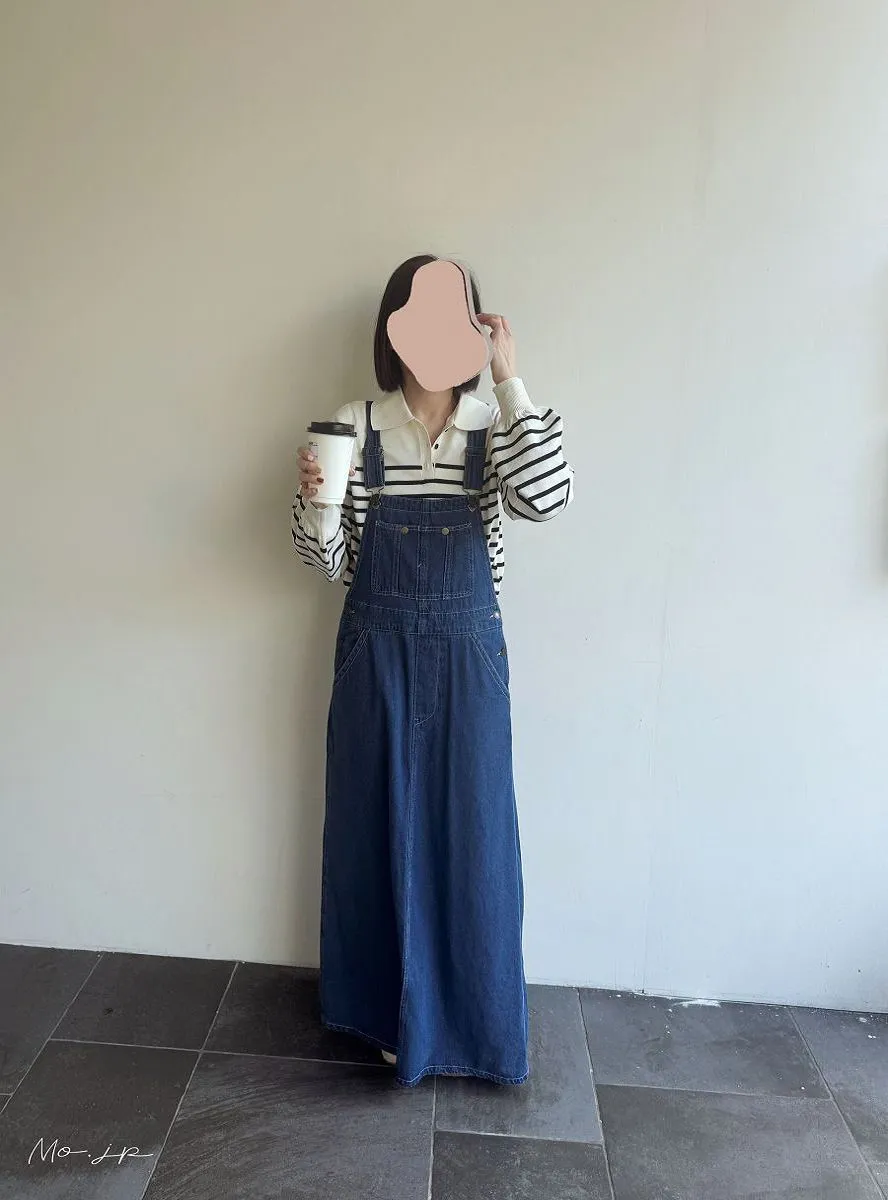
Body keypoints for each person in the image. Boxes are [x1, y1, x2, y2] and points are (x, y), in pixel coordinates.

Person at [291, 254, 574, 1087]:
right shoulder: (356, 424)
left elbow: (548, 498)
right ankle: (383, 1016)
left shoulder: (495, 425)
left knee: (474, 833)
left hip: (469, 658)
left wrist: (511, 379)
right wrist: (315, 502)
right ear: (393, 332)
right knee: (371, 827)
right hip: (372, 649)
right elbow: (325, 561)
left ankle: (473, 1024)